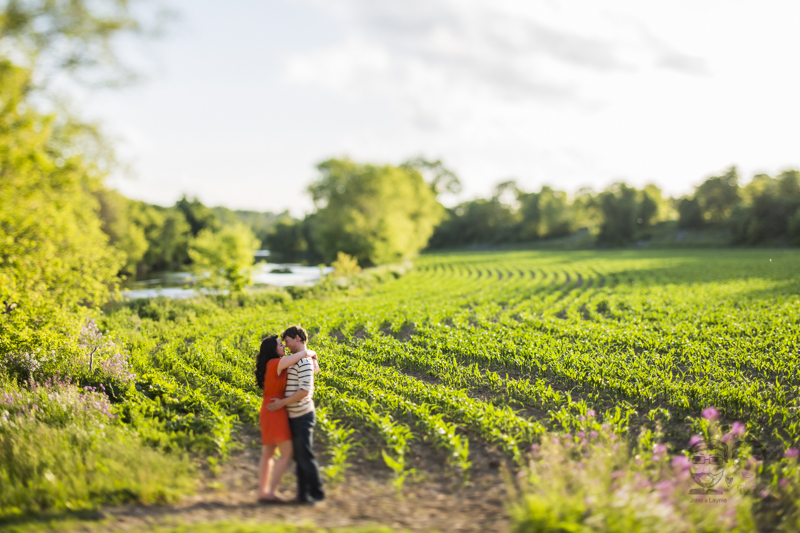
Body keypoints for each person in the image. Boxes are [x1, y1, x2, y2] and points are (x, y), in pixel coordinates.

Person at [267, 325, 325, 504]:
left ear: (297, 338)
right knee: (299, 457)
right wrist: (312, 354)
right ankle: (302, 494)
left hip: (302, 415)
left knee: (305, 455)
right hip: (293, 416)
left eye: (288, 341)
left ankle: (316, 494)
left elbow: (304, 391)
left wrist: (282, 404)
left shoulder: (304, 362)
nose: (286, 345)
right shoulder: (296, 359)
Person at [254, 334, 317, 502]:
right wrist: (313, 353)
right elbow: (303, 354)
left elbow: (305, 362)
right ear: (273, 350)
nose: (284, 347)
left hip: (269, 407)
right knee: (286, 453)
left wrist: (313, 358)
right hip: (276, 409)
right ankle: (271, 492)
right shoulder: (277, 363)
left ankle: (263, 491)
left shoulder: (273, 364)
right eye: (280, 345)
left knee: (268, 453)